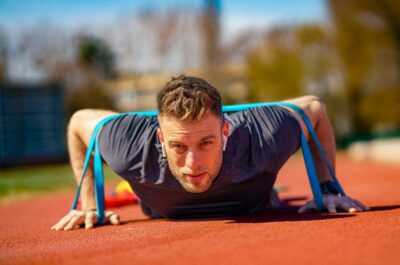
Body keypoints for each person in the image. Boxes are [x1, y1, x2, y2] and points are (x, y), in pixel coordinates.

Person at [52, 75, 369, 231]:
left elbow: (314, 107)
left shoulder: (263, 135)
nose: (192, 163)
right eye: (178, 146)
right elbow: (79, 122)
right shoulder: (130, 147)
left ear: (225, 131)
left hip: (256, 199)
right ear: (161, 138)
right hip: (158, 206)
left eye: (206, 143)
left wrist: (327, 188)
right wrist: (90, 205)